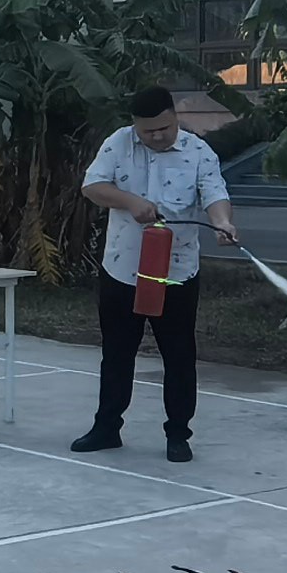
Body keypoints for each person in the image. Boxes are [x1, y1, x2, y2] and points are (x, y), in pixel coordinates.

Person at [71, 84, 239, 466]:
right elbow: (92, 186)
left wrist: (222, 222)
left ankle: (178, 435)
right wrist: (130, 201)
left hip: (176, 273)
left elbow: (215, 194)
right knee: (117, 354)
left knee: (179, 356)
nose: (157, 136)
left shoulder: (198, 152)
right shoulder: (118, 144)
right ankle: (106, 428)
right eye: (148, 131)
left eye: (164, 128)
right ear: (135, 125)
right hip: (123, 270)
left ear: (175, 117)